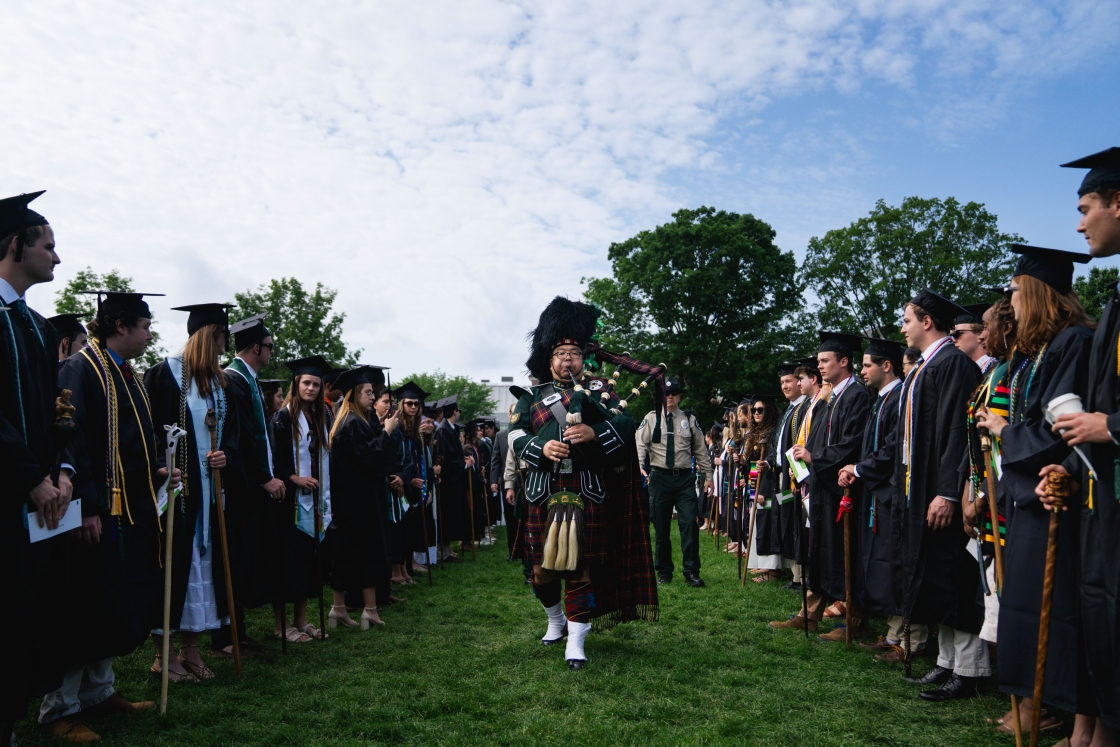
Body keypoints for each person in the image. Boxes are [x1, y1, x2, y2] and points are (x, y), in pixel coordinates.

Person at [975, 245, 1097, 738]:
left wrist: (1005, 433)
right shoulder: (1042, 350)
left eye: (1017, 293)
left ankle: (1053, 707)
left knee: (1056, 606)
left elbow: (1062, 428)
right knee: (1022, 603)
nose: (1013, 304)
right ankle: (1034, 698)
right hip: (1028, 493)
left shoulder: (1074, 344)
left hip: (1057, 494)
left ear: (1037, 293)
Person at [42, 292, 174, 742]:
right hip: (94, 512)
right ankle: (60, 707)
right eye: (145, 325)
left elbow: (131, 441)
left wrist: (156, 470)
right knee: (80, 605)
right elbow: (69, 443)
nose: (150, 333)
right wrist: (87, 507)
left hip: (127, 510)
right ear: (121, 325)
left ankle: (99, 693)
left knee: (109, 601)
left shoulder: (124, 374)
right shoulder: (80, 369)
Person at [509, 296, 658, 669]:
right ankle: (555, 619)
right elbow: (512, 435)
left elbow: (625, 425)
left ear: (583, 357)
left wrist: (594, 431)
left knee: (580, 567)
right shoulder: (532, 397)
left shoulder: (602, 391)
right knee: (542, 570)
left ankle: (575, 642)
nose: (567, 359)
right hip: (544, 493)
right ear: (549, 359)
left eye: (573, 352)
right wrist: (541, 447)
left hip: (586, 489)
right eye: (560, 353)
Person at [1035, 146, 1120, 745]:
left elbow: (1104, 416)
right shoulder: (1117, 302)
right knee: (1101, 613)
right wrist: (1065, 464)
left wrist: (1111, 428)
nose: (1079, 222)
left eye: (1086, 206)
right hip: (1103, 498)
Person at [861, 290, 985, 701]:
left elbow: (956, 433)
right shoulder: (925, 369)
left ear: (927, 321)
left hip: (938, 491)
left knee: (952, 577)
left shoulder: (953, 366)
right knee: (933, 578)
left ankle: (968, 668)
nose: (902, 327)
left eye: (907, 319)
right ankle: (946, 662)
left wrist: (948, 493)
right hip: (918, 491)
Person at [0, 191, 69, 747]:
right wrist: (31, 477)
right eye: (48, 244)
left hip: (39, 502)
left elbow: (55, 415)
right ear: (15, 244)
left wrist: (63, 470)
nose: (56, 256)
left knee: (23, 618)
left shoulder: (39, 327)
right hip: (11, 493)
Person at [144, 302, 239, 682]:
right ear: (208, 334)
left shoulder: (218, 382)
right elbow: (147, 431)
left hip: (210, 493)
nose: (223, 345)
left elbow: (229, 435)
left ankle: (192, 651)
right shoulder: (164, 375)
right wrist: (162, 467)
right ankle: (163, 656)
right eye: (221, 337)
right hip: (178, 493)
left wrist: (224, 456)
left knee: (203, 572)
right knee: (174, 569)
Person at [215, 313, 285, 659]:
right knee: (236, 558)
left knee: (244, 560)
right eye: (270, 347)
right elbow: (238, 440)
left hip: (249, 485)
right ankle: (226, 636)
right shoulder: (233, 380)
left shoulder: (249, 381)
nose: (273, 352)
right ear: (256, 346)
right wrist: (261, 478)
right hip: (239, 488)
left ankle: (237, 631)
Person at [796, 332, 872, 642]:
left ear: (844, 361)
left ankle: (853, 621)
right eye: (818, 361)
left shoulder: (857, 396)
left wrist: (816, 457)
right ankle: (810, 615)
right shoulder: (834, 396)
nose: (820, 367)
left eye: (825, 361)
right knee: (821, 551)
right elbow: (816, 438)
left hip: (844, 486)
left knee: (844, 553)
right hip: (825, 485)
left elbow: (853, 442)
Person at [843, 337, 911, 662]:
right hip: (876, 493)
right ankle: (892, 632)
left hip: (891, 494)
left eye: (867, 364)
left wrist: (858, 468)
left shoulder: (899, 398)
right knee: (882, 563)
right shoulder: (881, 399)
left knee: (894, 562)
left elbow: (892, 449)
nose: (862, 370)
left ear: (887, 365)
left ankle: (906, 639)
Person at [326, 367, 396, 629]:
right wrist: (387, 432)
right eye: (367, 392)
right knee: (368, 552)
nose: (372, 396)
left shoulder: (347, 422)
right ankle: (369, 610)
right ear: (355, 395)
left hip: (349, 499)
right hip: (362, 500)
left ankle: (338, 609)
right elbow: (371, 459)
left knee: (343, 555)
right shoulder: (354, 423)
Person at [269, 355, 333, 643]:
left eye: (316, 384)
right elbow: (274, 459)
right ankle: (281, 625)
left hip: (315, 500)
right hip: (289, 503)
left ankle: (302, 620)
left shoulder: (320, 418)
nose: (311, 388)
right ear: (297, 384)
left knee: (309, 563)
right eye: (306, 383)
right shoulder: (283, 418)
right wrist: (294, 478)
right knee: (287, 563)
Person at [637, 376, 713, 588]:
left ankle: (691, 571)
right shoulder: (651, 418)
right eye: (665, 393)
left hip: (684, 480)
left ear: (679, 396)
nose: (669, 397)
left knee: (689, 524)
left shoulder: (689, 419)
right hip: (659, 478)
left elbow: (700, 450)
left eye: (673, 393)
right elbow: (640, 444)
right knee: (661, 528)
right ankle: (663, 571)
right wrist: (640, 465)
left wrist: (709, 476)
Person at [772, 361, 809, 591]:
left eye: (788, 381)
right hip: (782, 476)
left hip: (794, 477)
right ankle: (795, 574)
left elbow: (798, 447)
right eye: (782, 382)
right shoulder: (789, 410)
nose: (785, 386)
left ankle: (801, 576)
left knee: (796, 519)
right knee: (786, 517)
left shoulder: (803, 408)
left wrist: (797, 478)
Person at [393, 381, 436, 573]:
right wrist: (408, 478)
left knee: (410, 527)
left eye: (416, 404)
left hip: (413, 486)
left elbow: (416, 459)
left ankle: (407, 566)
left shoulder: (414, 430)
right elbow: (396, 459)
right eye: (409, 403)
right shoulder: (397, 428)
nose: (412, 407)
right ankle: (400, 569)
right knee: (401, 529)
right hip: (400, 485)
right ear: (401, 404)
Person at [744, 395, 782, 582]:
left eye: (760, 410)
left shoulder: (773, 432)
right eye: (754, 410)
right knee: (759, 522)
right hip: (756, 483)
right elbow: (753, 465)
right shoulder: (756, 432)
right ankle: (763, 565)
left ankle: (772, 570)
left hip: (768, 485)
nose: (756, 413)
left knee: (768, 524)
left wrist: (762, 491)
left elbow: (770, 463)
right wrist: (753, 490)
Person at [433, 395, 467, 562]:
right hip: (447, 482)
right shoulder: (442, 430)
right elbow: (445, 458)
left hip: (454, 481)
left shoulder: (450, 428)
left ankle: (447, 551)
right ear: (455, 411)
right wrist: (464, 465)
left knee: (452, 516)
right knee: (446, 517)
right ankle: (443, 552)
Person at [952, 304, 997, 373]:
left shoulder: (994, 368)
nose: (953, 340)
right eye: (951, 335)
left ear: (980, 334)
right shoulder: (960, 372)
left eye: (957, 334)